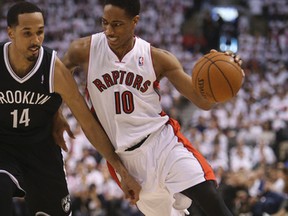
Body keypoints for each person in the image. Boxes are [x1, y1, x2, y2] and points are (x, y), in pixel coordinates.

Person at [62, 0, 244, 215]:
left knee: (211, 199)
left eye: (117, 24)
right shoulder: (84, 50)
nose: (109, 30)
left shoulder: (157, 58)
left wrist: (227, 80)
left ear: (134, 22)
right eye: (105, 23)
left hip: (162, 143)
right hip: (124, 159)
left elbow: (203, 101)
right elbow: (57, 76)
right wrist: (56, 114)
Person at [0, 2, 141, 216]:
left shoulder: (53, 69)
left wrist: (122, 171)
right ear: (11, 32)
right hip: (4, 146)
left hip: (41, 150)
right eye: (27, 33)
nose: (36, 40)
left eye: (40, 32)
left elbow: (87, 123)